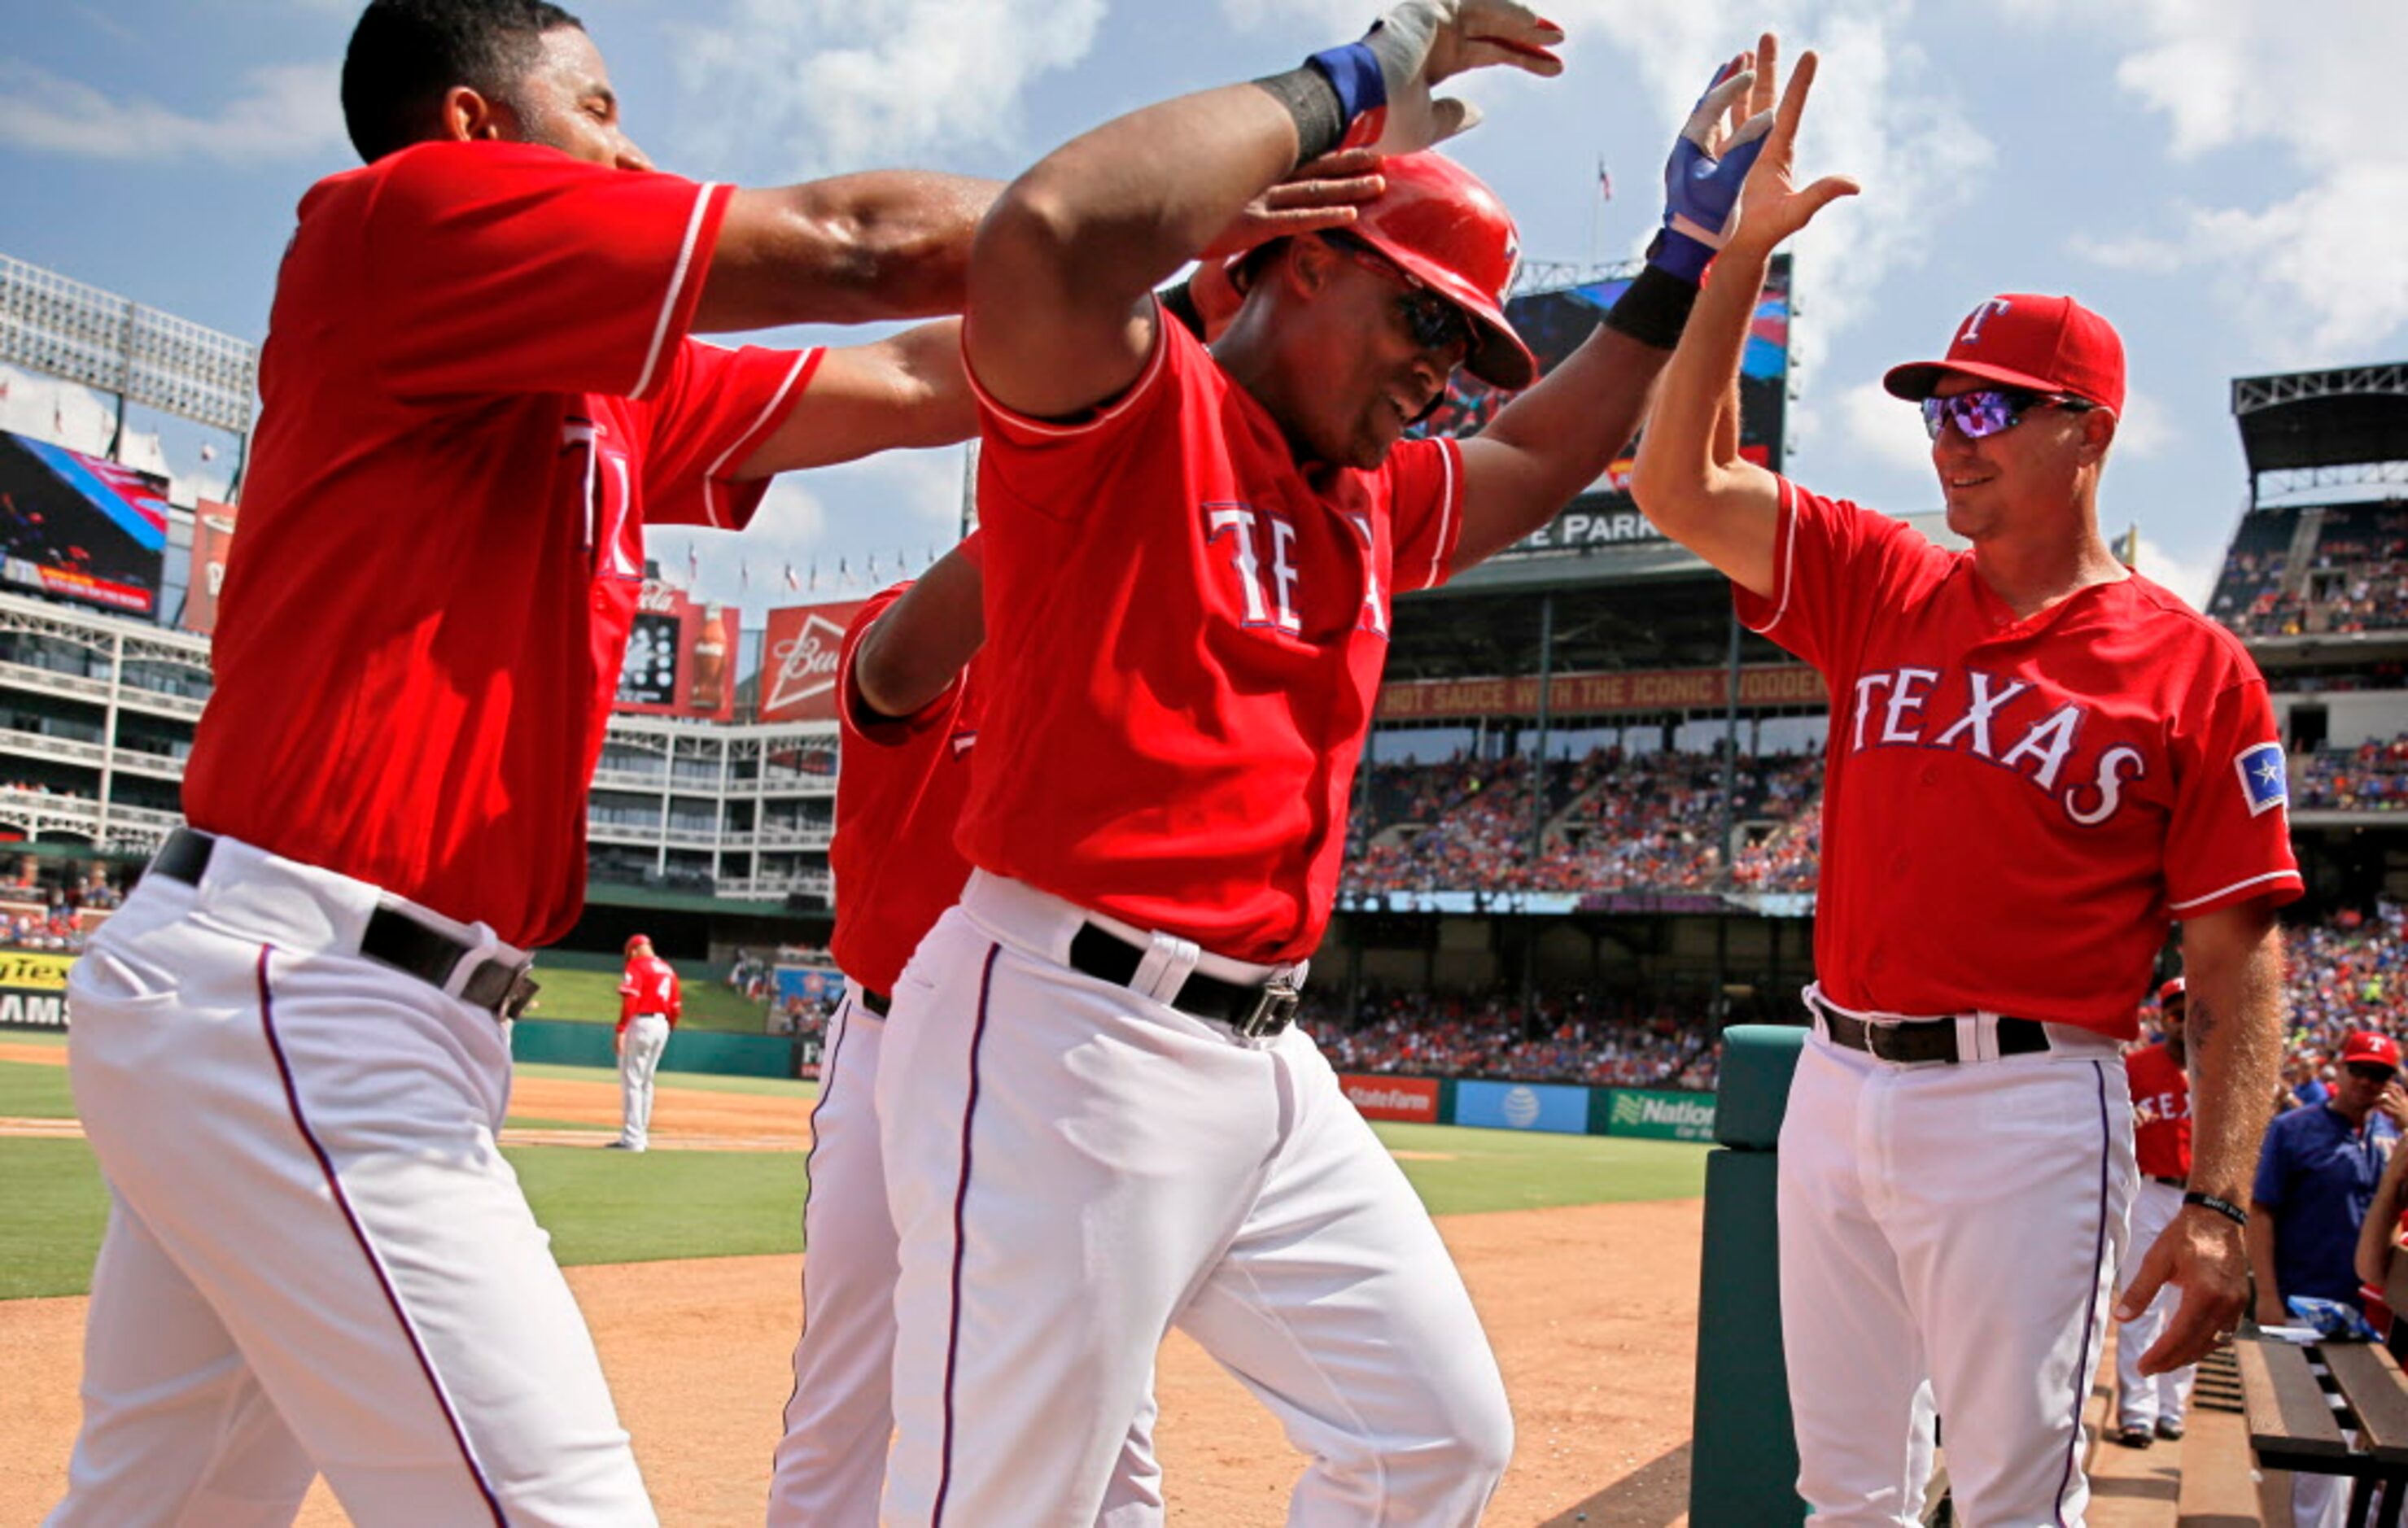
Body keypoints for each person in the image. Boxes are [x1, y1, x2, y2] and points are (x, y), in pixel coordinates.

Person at [48, 0, 1012, 1521]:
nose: (633, 145)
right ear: (476, 131)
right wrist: (1235, 154)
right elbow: (853, 239)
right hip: (308, 990)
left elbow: (905, 379)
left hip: (329, 1003)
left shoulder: (602, 380)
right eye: (599, 103)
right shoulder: (398, 221)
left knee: (160, 1507)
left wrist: (1202, 333)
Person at [875, 6, 1781, 1519]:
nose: (1443, 373)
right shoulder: (1125, 408)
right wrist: (1366, 74)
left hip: (1263, 1061)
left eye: (1465, 345)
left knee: (1429, 1436)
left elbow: (1542, 452)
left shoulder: (1360, 497)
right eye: (1422, 320)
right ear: (1304, 256)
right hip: (1066, 1032)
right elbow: (1042, 231)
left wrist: (1677, 266)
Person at [1628, 44, 2301, 1525]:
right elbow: (1672, 483)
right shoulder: (1880, 576)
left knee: (2009, 1496)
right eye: (1937, 407)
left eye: (1989, 411)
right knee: (1842, 1491)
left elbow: (2233, 957)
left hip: (2028, 1107)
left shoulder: (2190, 667)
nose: (1949, 435)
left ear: (2086, 432)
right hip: (1833, 1078)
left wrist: (2211, 1204)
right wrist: (1728, 258)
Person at [2253, 1029, 2406, 1527]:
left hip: (2373, 1314)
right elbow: (2262, 1212)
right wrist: (2269, 1296)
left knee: (2363, 1451)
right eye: (2358, 1069)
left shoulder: (2392, 1138)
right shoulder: (2295, 1129)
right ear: (2337, 1069)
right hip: (2306, 1302)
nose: (2366, 1081)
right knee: (2319, 1448)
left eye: (2378, 1075)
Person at [2114, 976, 2199, 1448]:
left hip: (2200, 1197)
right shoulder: (2136, 1067)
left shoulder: (2221, 1068)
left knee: (2187, 1309)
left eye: (2193, 1009)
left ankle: (2172, 1409)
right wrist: (2128, 1125)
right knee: (2140, 1302)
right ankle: (2137, 1413)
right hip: (2150, 1190)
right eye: (2176, 1011)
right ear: (2164, 1017)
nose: (2184, 1020)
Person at [611, 933, 680, 1151]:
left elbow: (631, 998)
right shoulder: (668, 969)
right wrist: (669, 1027)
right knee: (646, 1081)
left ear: (633, 951)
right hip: (662, 1024)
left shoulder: (638, 965)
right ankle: (641, 1135)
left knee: (632, 1080)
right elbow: (676, 1006)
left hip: (642, 1022)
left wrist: (621, 1029)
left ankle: (633, 1138)